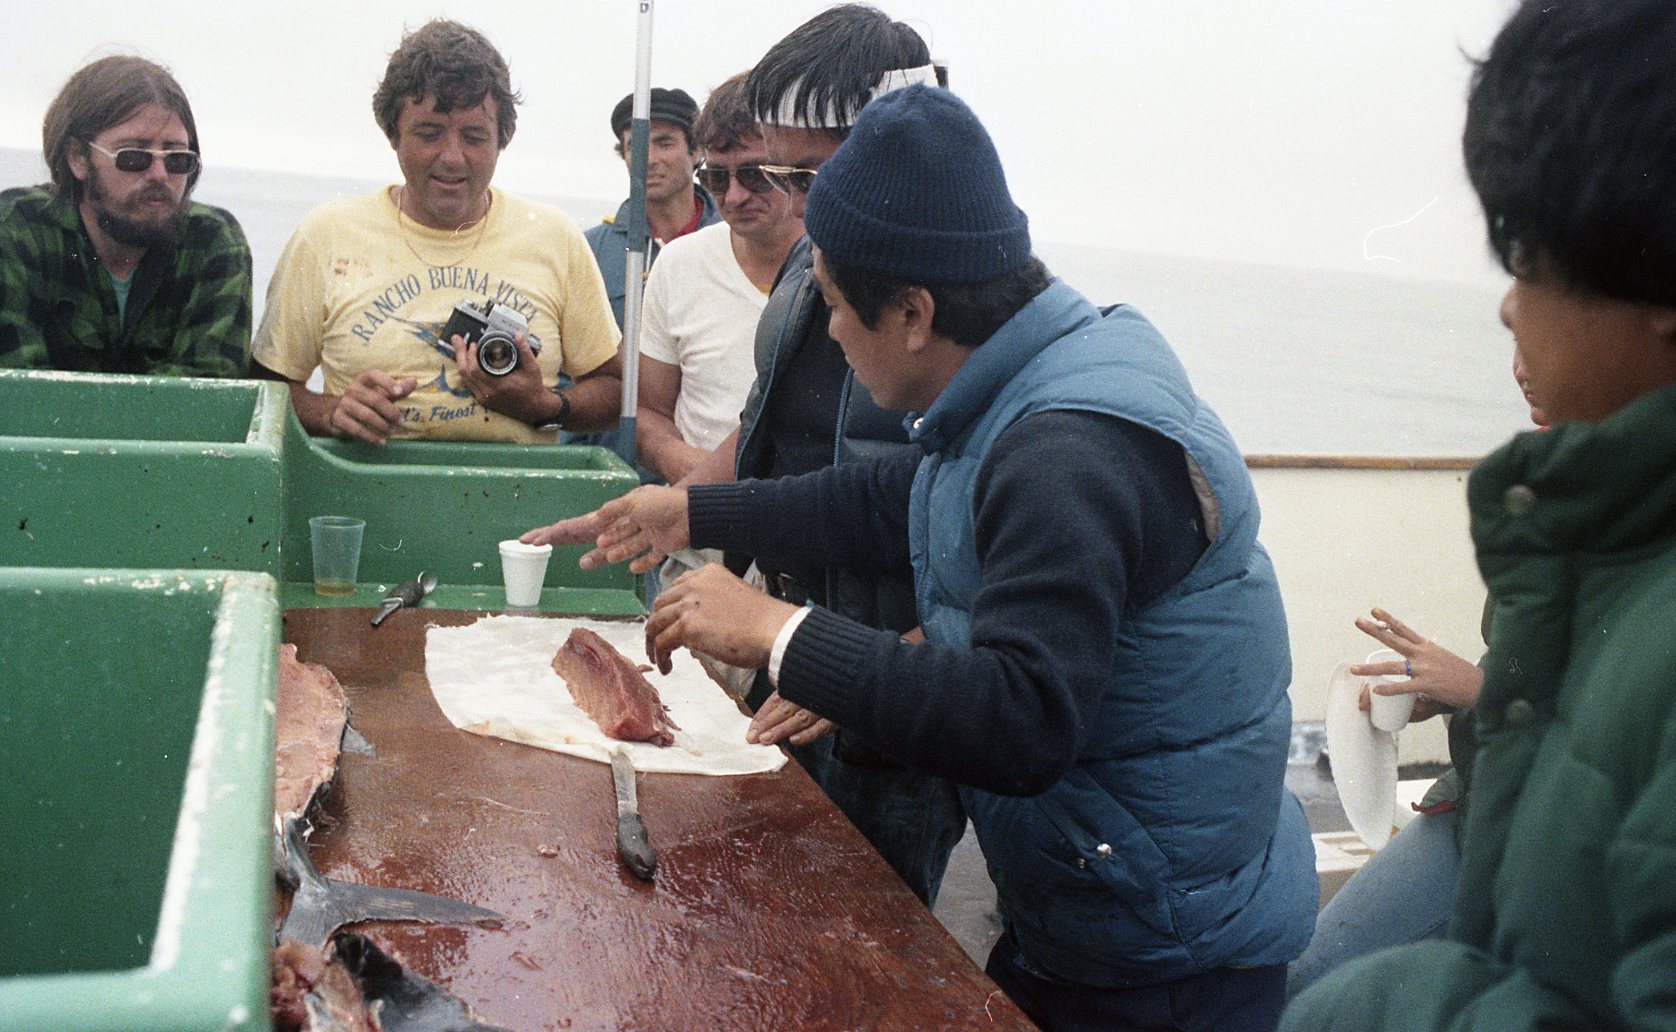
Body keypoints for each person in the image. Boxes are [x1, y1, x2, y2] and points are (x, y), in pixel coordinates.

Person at [531, 85, 1316, 1031]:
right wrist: (692, 506)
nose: (829, 331)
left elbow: (1023, 718)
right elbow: (893, 496)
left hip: (1163, 951)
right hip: (1090, 892)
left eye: (833, 305)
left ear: (911, 312)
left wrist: (781, 632)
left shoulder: (1068, 453)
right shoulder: (1028, 377)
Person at [1283, 2, 1676, 1028]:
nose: (1507, 308)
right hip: (1494, 814)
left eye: (1530, 258)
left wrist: (1383, 1006)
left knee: (1316, 985)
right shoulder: (1600, 521)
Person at [586, 4, 969, 910]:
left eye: (805, 174)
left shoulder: (957, 304)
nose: (794, 202)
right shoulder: (808, 271)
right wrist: (680, 507)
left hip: (889, 682)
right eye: (782, 174)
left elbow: (969, 535)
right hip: (789, 640)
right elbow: (764, 434)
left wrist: (869, 660)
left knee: (869, 929)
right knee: (755, 901)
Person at [1287, 354, 1548, 1000]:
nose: (1519, 367)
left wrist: (1481, 691)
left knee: (1316, 993)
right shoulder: (1556, 490)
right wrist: (1449, 690)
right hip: (1478, 806)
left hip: (1550, 848)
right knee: (1303, 980)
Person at [252, 19, 620, 446]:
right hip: (363, 483)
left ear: (501, 140)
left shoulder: (555, 237)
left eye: (474, 137)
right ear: (394, 134)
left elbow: (616, 392)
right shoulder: (325, 235)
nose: (452, 157)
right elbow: (263, 392)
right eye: (429, 133)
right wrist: (331, 412)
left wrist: (544, 405)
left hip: (518, 485)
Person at [0, 55, 251, 377]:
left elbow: (209, 389)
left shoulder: (212, 241)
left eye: (177, 159)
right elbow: (16, 389)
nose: (160, 174)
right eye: (133, 156)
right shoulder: (17, 229)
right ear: (78, 158)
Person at [636, 72, 804, 485]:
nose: (734, 195)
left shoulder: (836, 269)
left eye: (754, 174)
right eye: (715, 177)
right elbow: (648, 412)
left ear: (793, 164)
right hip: (698, 520)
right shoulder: (678, 264)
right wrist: (692, 470)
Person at [583, 87, 719, 330]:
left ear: (697, 151)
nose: (649, 159)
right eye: (635, 146)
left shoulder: (735, 238)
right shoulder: (592, 250)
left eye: (664, 144)